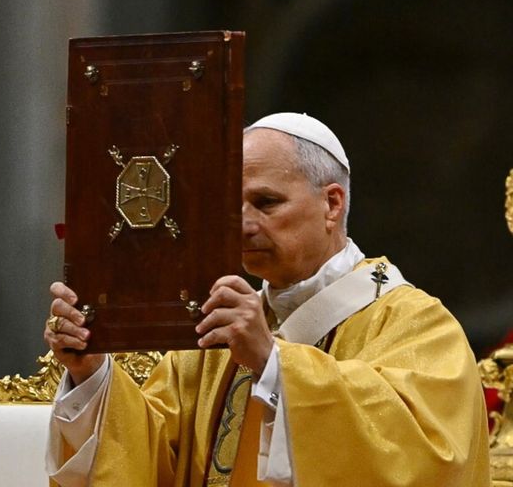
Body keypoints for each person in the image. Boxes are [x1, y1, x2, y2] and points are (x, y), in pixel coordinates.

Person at [42, 112, 491, 487]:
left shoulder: (417, 326)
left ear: (332, 204)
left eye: (265, 202)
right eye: (231, 206)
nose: (242, 224)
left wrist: (274, 363)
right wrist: (91, 372)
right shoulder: (212, 333)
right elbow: (154, 456)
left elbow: (430, 461)